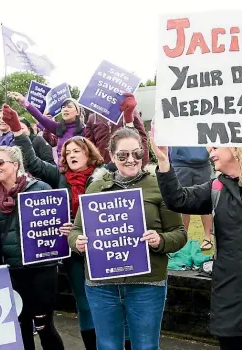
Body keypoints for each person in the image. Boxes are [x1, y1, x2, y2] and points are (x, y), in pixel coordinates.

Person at [151, 129, 242, 350]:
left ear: (236, 149)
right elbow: (178, 200)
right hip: (230, 290)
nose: (210, 151)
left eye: (216, 147)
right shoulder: (215, 187)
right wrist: (163, 162)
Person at [68, 128, 187, 350]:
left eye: (137, 153)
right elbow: (76, 230)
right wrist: (77, 242)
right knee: (108, 345)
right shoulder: (96, 188)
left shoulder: (158, 185)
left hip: (146, 283)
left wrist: (159, 240)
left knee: (146, 346)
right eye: (123, 155)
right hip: (102, 285)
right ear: (112, 157)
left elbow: (179, 233)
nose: (131, 160)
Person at [2, 104, 102, 349]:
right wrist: (18, 130)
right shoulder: (59, 177)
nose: (72, 156)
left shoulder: (104, 176)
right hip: (74, 252)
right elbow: (34, 163)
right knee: (84, 302)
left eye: (77, 151)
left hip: (102, 247)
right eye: (67, 153)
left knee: (107, 301)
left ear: (88, 153)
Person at [0, 145, 65, 350]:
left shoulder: (41, 189)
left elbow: (55, 224)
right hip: (13, 272)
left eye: (0, 162)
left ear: (16, 165)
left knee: (44, 325)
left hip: (43, 269)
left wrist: (64, 229)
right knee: (20, 326)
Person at [8, 91, 85, 162]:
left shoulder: (84, 130)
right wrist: (23, 101)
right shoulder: (58, 127)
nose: (65, 109)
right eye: (63, 107)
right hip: (61, 172)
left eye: (69, 107)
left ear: (77, 112)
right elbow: (40, 117)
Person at [169, 146, 214, 250]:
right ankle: (182, 239)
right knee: (181, 202)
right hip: (180, 164)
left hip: (203, 164)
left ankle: (208, 238)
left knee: (206, 201)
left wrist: (208, 150)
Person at [85, 94, 149, 167]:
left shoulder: (129, 111)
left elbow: (142, 138)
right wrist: (95, 164)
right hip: (104, 165)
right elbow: (90, 145)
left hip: (128, 162)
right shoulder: (92, 118)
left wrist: (143, 163)